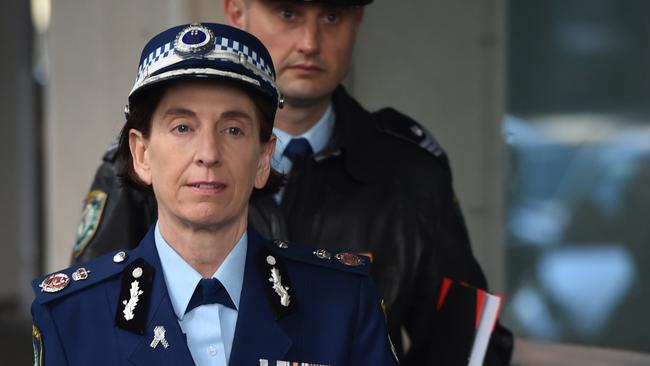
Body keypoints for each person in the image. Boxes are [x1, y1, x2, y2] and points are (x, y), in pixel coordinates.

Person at [72, 1, 513, 364]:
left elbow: (465, 343)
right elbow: (92, 323)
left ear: (359, 20)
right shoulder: (148, 168)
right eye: (287, 13)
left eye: (333, 16)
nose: (310, 42)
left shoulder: (410, 172)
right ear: (237, 12)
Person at [32, 22, 398, 366]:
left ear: (263, 159)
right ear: (142, 154)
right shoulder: (71, 316)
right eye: (182, 127)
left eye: (233, 129)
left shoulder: (343, 302)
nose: (208, 152)